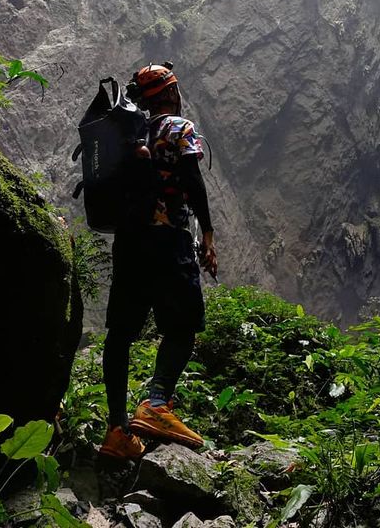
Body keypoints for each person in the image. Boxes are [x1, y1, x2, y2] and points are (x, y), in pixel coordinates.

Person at [98, 61, 218, 461]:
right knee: (184, 324)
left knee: (121, 332)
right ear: (168, 94)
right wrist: (208, 235)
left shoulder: (129, 134)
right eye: (176, 89)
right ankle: (156, 404)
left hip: (129, 241)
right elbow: (192, 181)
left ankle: (117, 430)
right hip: (167, 238)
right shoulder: (177, 128)